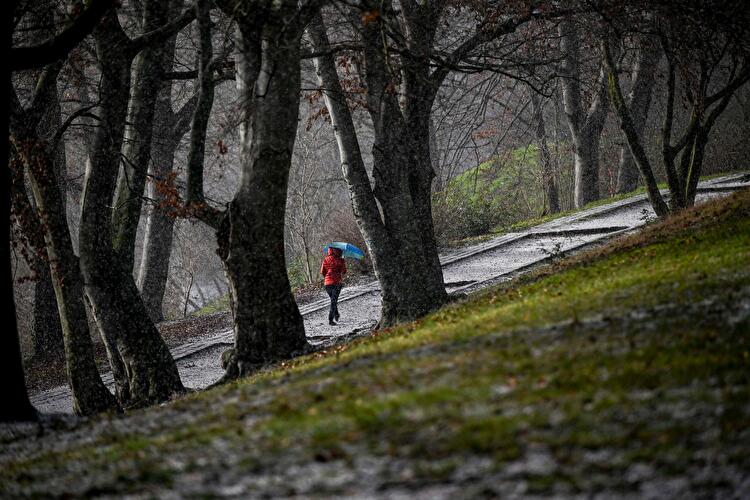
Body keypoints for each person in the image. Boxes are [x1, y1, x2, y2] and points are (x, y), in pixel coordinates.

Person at [320, 247, 346, 325]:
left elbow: (322, 272)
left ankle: (336, 314)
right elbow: (344, 271)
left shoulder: (325, 259)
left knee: (333, 300)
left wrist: (327, 277)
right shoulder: (340, 260)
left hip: (327, 284)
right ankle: (330, 320)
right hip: (337, 283)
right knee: (333, 302)